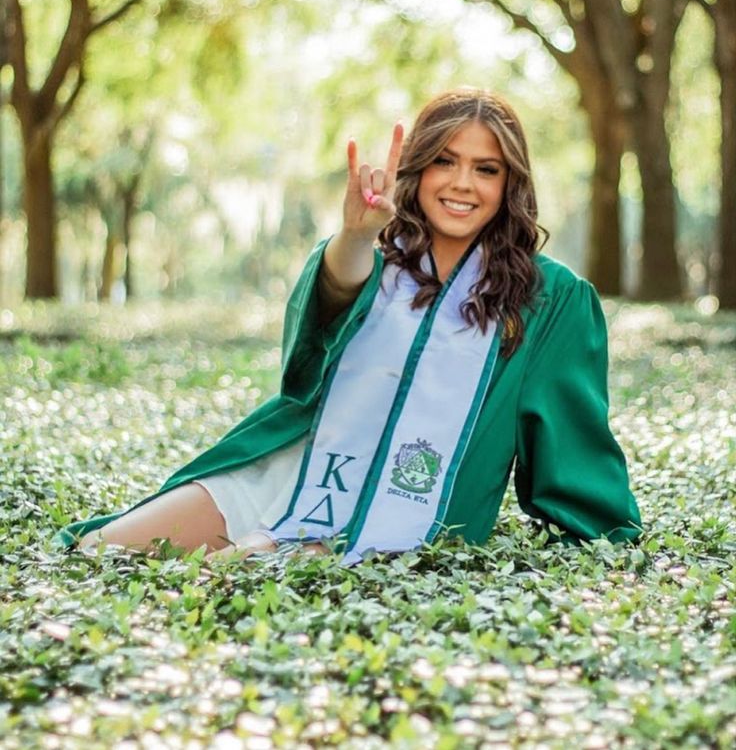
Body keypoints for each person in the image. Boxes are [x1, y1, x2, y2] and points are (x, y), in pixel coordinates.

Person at [57, 87, 642, 564]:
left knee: (237, 573)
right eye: (445, 160)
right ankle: (261, 536)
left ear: (509, 184)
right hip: (295, 465)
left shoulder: (546, 297)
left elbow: (569, 433)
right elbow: (324, 317)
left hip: (403, 499)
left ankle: (274, 547)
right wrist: (358, 234)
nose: (462, 183)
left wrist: (596, 539)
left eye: (485, 169)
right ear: (417, 166)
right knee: (99, 553)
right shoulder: (375, 253)